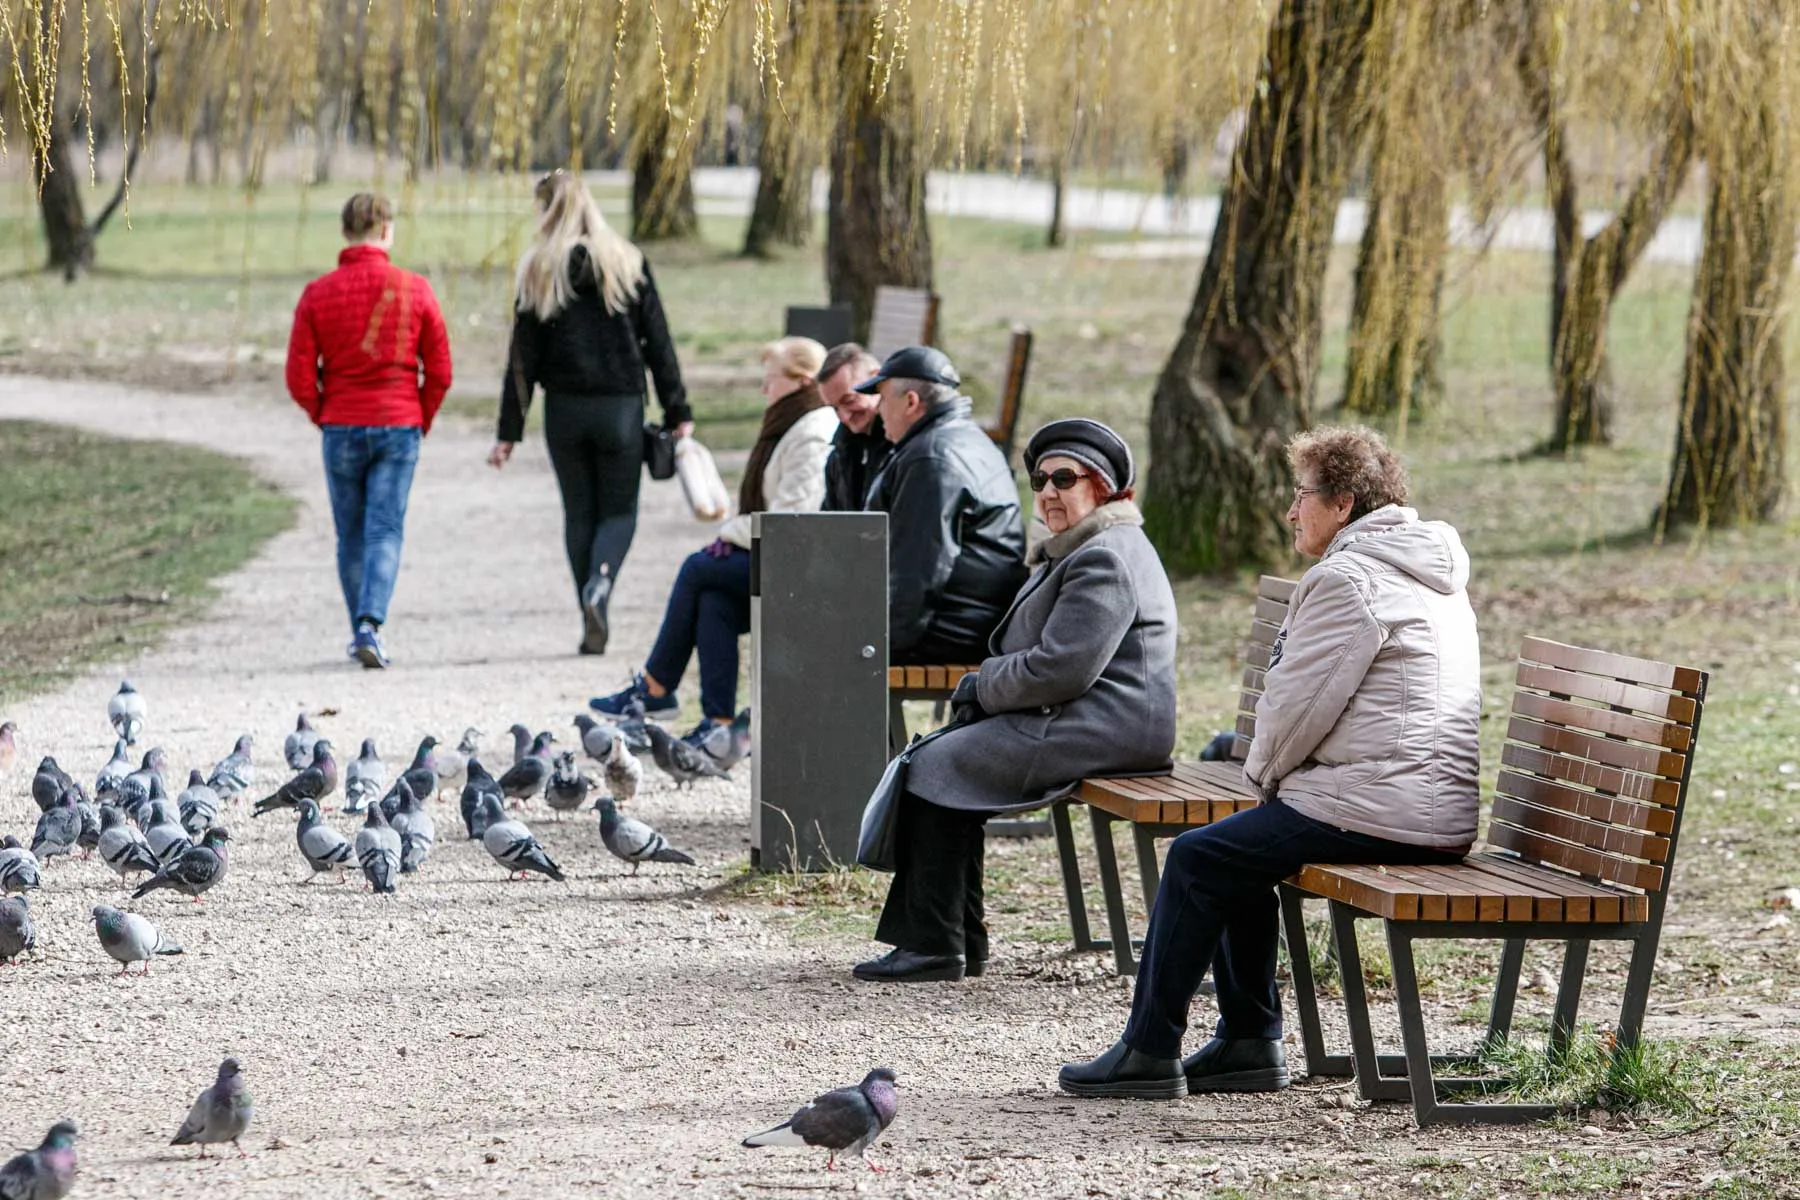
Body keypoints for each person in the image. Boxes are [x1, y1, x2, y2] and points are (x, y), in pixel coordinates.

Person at [1058, 426, 1482, 1099]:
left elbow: (1295, 712)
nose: (1290, 510)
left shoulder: (1350, 579)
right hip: (1415, 801)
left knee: (1201, 858)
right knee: (1234, 856)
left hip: (1382, 807)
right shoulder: (1425, 570)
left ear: (1342, 503)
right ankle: (1248, 1043)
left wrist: (1260, 780)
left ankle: (1148, 1049)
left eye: (1301, 495)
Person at [855, 419, 1176, 983]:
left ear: (1101, 487)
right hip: (1080, 716)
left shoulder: (1106, 557)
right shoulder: (1082, 547)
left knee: (934, 762)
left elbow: (1061, 669)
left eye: (1064, 478)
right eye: (1040, 481)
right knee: (940, 756)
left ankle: (936, 943)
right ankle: (955, 940)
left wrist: (982, 684)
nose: (1049, 491)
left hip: (1103, 725)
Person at [588, 338, 837, 740]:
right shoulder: (790, 422)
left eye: (771, 380)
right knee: (713, 601)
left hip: (800, 565)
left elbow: (793, 518)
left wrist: (728, 535)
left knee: (698, 568)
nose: (764, 389)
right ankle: (718, 724)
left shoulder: (812, 433)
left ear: (802, 381)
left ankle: (656, 687)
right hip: (778, 552)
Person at [487, 169, 692, 655]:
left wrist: (507, 432)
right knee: (619, 510)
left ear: (546, 210)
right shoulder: (626, 261)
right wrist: (677, 406)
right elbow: (657, 342)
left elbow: (522, 361)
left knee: (578, 513)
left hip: (564, 410)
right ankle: (601, 585)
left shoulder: (538, 269)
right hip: (620, 407)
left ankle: (588, 611)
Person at [286, 192, 452, 670]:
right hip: (398, 424)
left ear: (345, 233)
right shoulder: (415, 290)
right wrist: (420, 414)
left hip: (341, 424)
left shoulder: (318, 294)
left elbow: (299, 375)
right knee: (384, 528)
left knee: (349, 534)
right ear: (385, 231)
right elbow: (439, 369)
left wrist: (325, 412)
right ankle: (369, 625)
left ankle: (360, 626)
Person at [859, 347, 1027, 664]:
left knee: (819, 639)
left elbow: (919, 569)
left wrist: (879, 643)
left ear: (911, 402)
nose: (878, 411)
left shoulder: (931, 458)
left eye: (883, 399)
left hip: (952, 628)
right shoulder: (963, 437)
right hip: (973, 620)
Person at [816, 343, 887, 511]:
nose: (844, 416)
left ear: (876, 380)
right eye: (834, 408)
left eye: (849, 401)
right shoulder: (839, 455)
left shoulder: (904, 449)